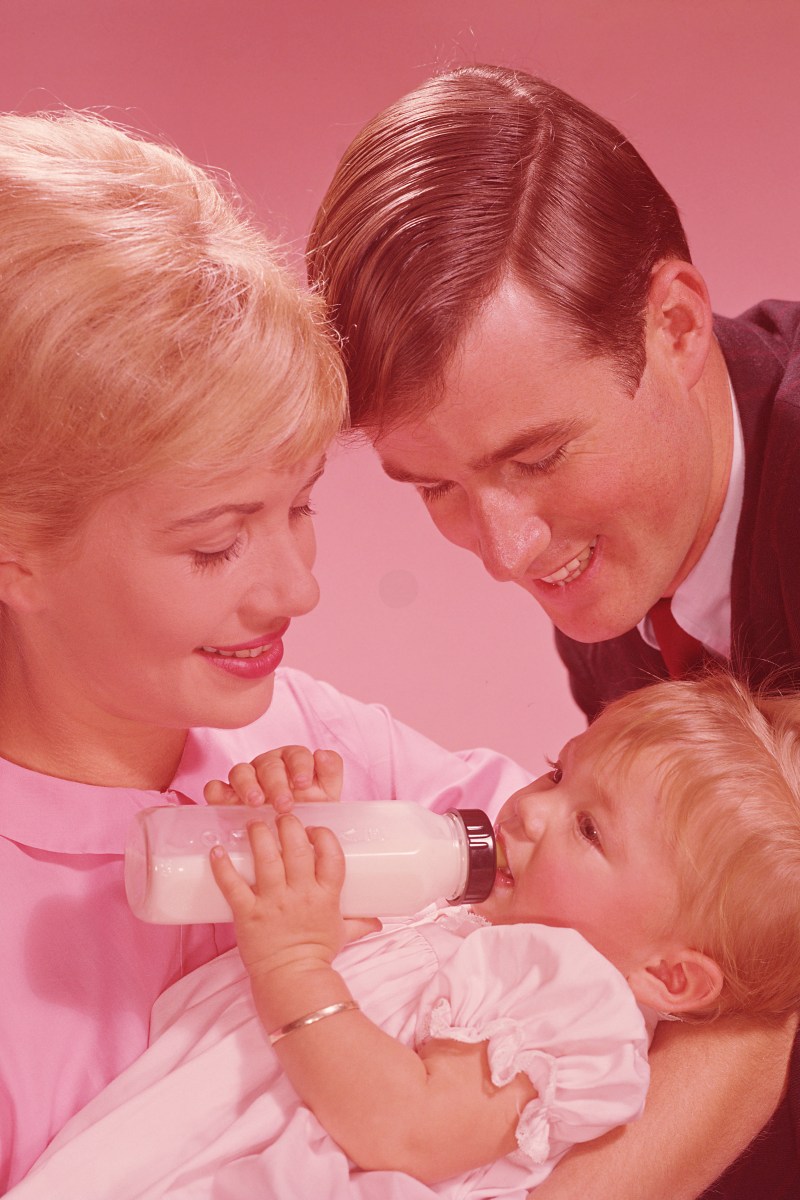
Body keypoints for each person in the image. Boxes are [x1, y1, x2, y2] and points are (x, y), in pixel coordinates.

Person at [0, 109, 534, 1191]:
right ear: (17, 555)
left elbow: (666, 876)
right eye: (215, 544)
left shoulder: (326, 746)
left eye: (301, 507)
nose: (298, 591)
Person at [306, 64, 800, 1197]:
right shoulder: (624, 559)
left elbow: (765, 989)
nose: (507, 548)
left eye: (537, 458)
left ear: (674, 325)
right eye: (437, 488)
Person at [9, 672, 800, 1200]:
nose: (530, 808)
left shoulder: (570, 1000)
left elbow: (406, 1129)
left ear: (671, 976)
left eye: (589, 829)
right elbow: (365, 984)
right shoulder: (462, 912)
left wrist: (294, 960)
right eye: (558, 773)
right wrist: (315, 843)